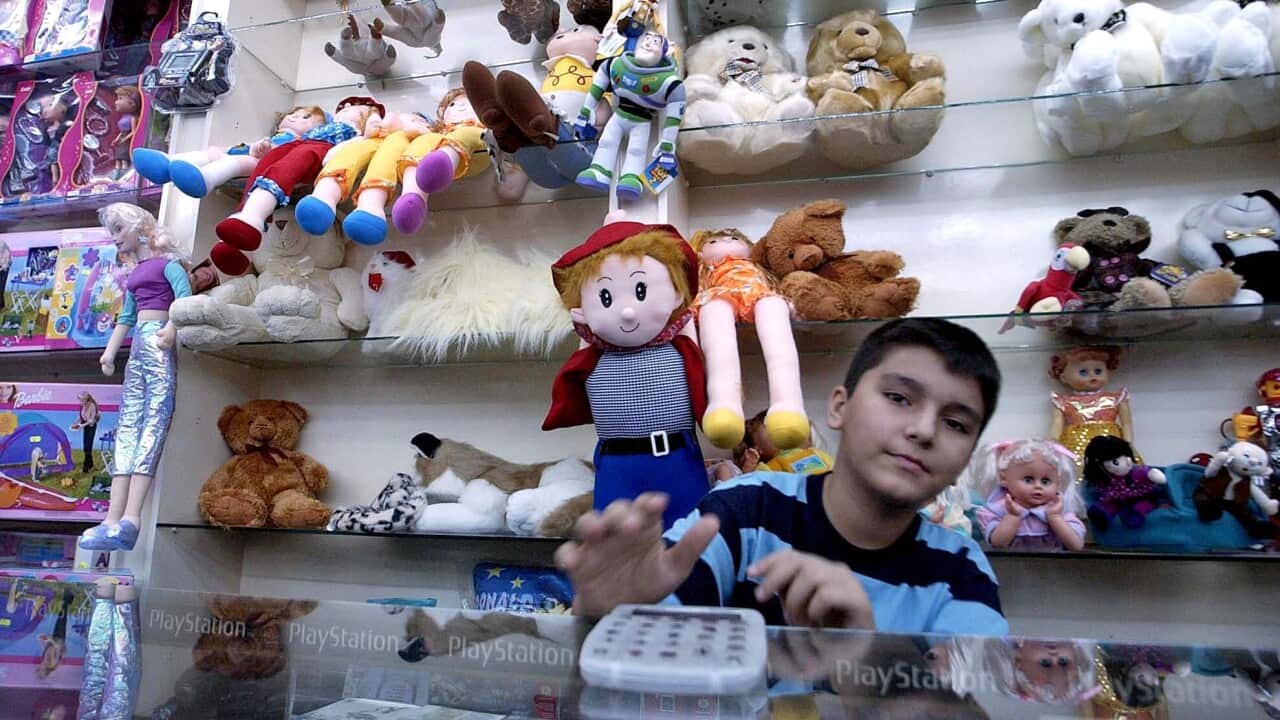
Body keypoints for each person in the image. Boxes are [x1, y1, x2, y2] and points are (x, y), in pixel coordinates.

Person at [556, 317, 1008, 636]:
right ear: (839, 407)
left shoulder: (961, 571)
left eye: (956, 423)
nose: (923, 430)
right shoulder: (745, 510)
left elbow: (967, 703)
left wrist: (867, 661)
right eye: (898, 397)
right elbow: (646, 647)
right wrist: (612, 615)